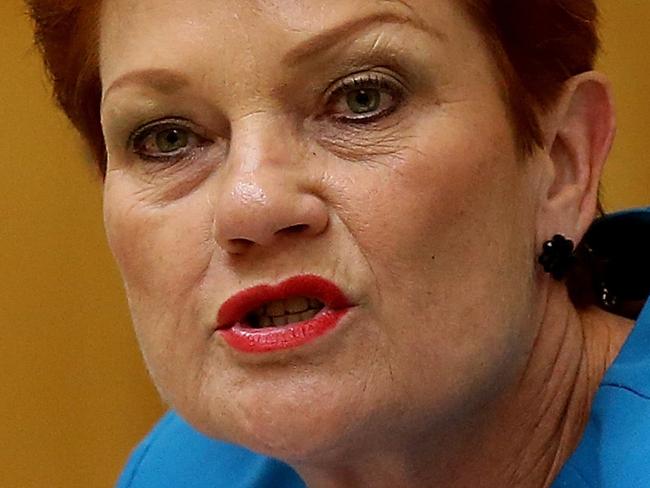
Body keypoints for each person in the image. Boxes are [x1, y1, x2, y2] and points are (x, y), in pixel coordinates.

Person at [26, 0, 650, 486]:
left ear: (562, 163)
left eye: (362, 99)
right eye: (167, 138)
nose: (252, 205)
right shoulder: (187, 470)